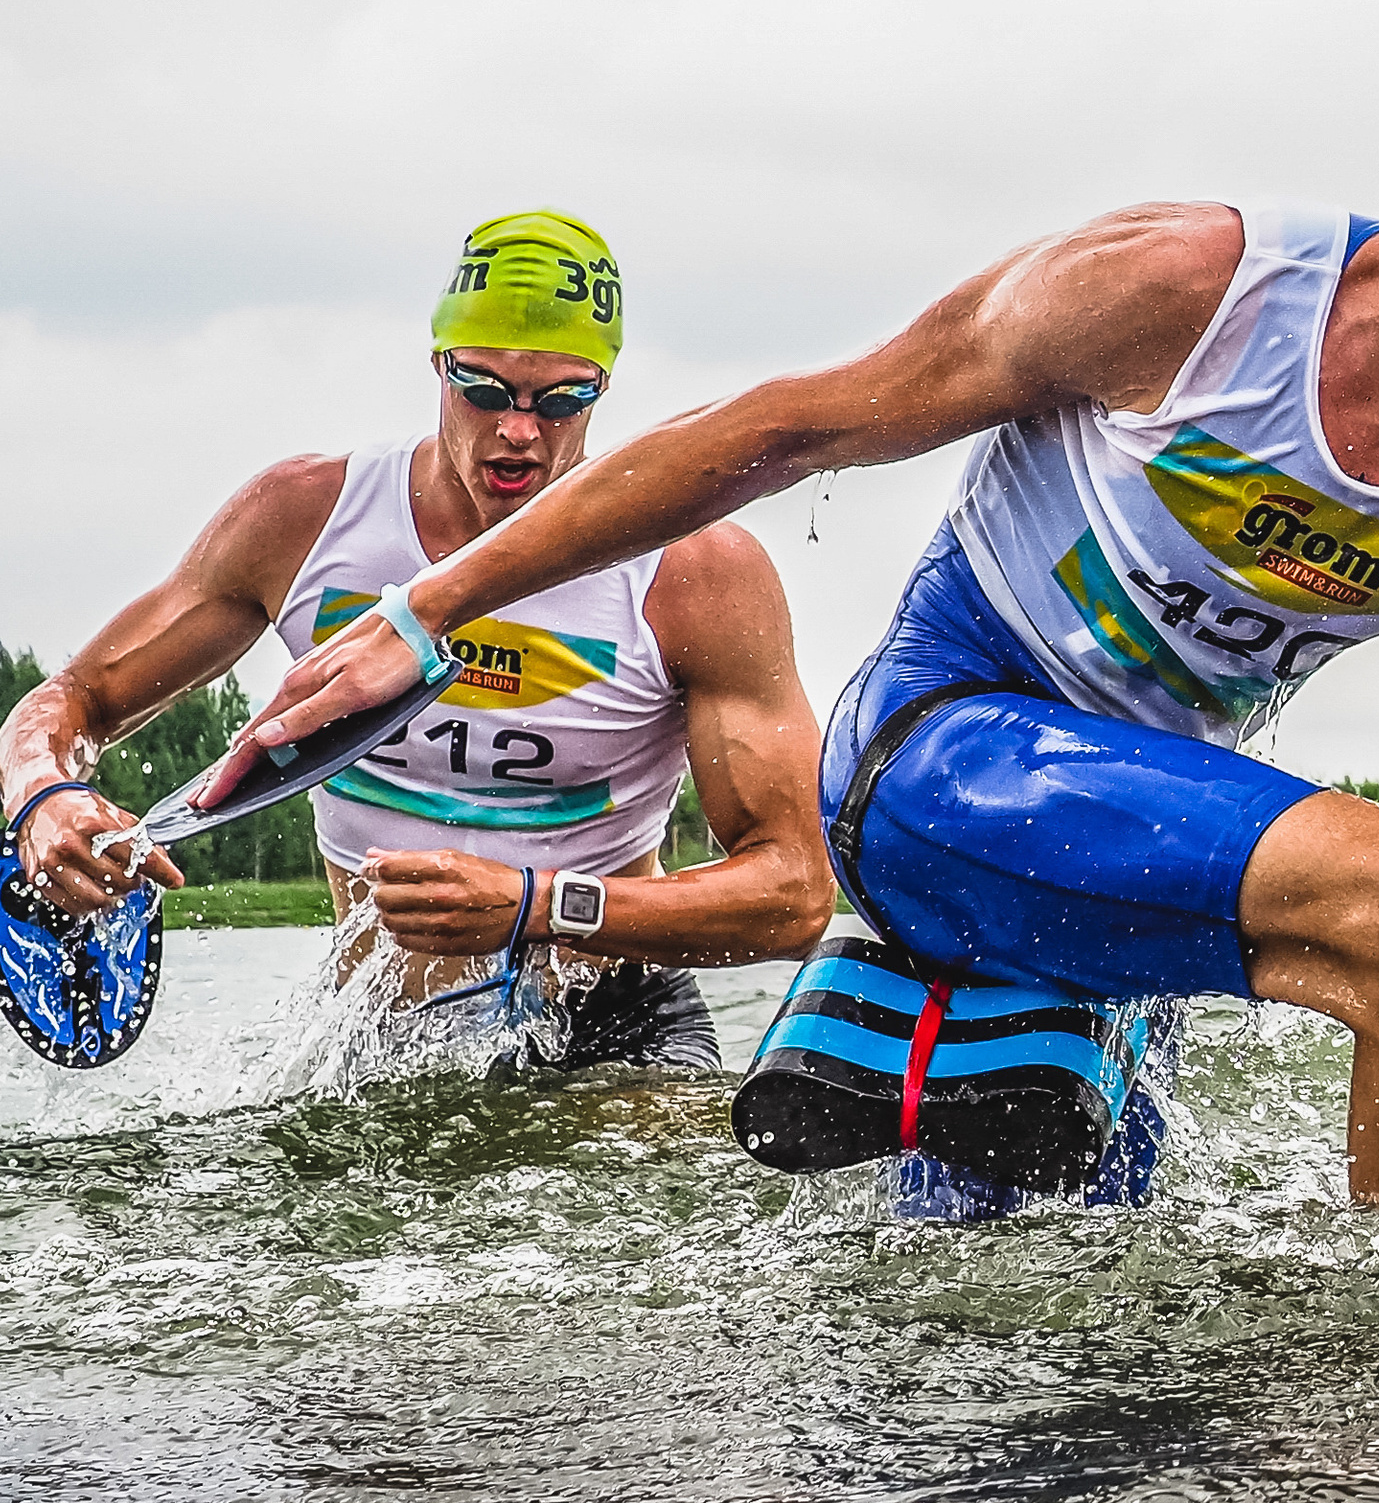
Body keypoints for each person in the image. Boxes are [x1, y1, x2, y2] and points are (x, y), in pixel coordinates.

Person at [209, 14, 1379, 1208]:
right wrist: (428, 612)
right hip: (932, 757)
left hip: (1125, 852)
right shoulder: (1194, 296)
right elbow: (792, 425)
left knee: (1023, 1344)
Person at [2, 210, 834, 1068]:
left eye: (560, 401)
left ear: (603, 389)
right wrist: (40, 795)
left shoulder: (695, 574)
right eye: (482, 390)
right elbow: (74, 700)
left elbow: (796, 894)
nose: (518, 430)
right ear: (438, 364)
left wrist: (536, 902)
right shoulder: (304, 522)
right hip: (372, 1036)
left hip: (609, 1026)